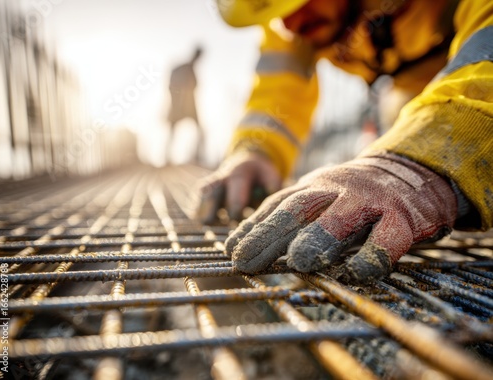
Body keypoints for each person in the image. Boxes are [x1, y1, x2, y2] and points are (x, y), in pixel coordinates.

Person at [196, 0, 493, 284]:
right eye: (279, 15)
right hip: (423, 93)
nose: (289, 22)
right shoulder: (291, 20)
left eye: (301, 2)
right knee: (396, 106)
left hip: (463, 91)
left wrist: (422, 160)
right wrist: (258, 149)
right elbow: (280, 89)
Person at [165, 47, 205, 165]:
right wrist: (176, 101)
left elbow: (195, 87)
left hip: (190, 105)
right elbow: (171, 85)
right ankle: (167, 158)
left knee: (199, 130)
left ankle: (198, 157)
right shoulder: (182, 68)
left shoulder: (192, 70)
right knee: (172, 130)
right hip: (178, 105)